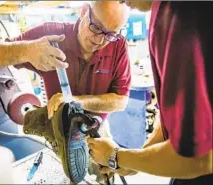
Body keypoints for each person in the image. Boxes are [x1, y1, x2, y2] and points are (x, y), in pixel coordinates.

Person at [0, 1, 131, 183]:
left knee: (103, 178)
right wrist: (27, 50)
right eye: (96, 27)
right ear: (84, 11)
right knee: (61, 175)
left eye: (110, 34)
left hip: (96, 130)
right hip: (59, 131)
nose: (99, 40)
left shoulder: (118, 46)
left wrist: (76, 101)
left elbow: (121, 100)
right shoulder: (51, 35)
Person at [87, 1, 213, 184]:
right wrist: (133, 161)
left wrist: (115, 156)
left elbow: (195, 157)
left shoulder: (177, 11)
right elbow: (175, 125)